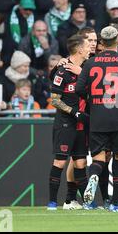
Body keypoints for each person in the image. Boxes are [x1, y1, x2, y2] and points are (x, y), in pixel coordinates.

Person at [76, 26, 118, 212]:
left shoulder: (90, 63)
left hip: (97, 117)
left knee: (98, 159)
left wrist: (92, 99)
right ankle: (115, 203)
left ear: (101, 42)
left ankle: (93, 176)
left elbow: (78, 89)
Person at [47, 34, 91, 210]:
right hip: (66, 123)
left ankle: (87, 203)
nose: (90, 49)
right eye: (87, 45)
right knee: (60, 162)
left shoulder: (86, 69)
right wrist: (75, 112)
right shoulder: (63, 71)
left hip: (81, 124)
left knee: (81, 163)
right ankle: (52, 202)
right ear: (79, 49)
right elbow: (55, 100)